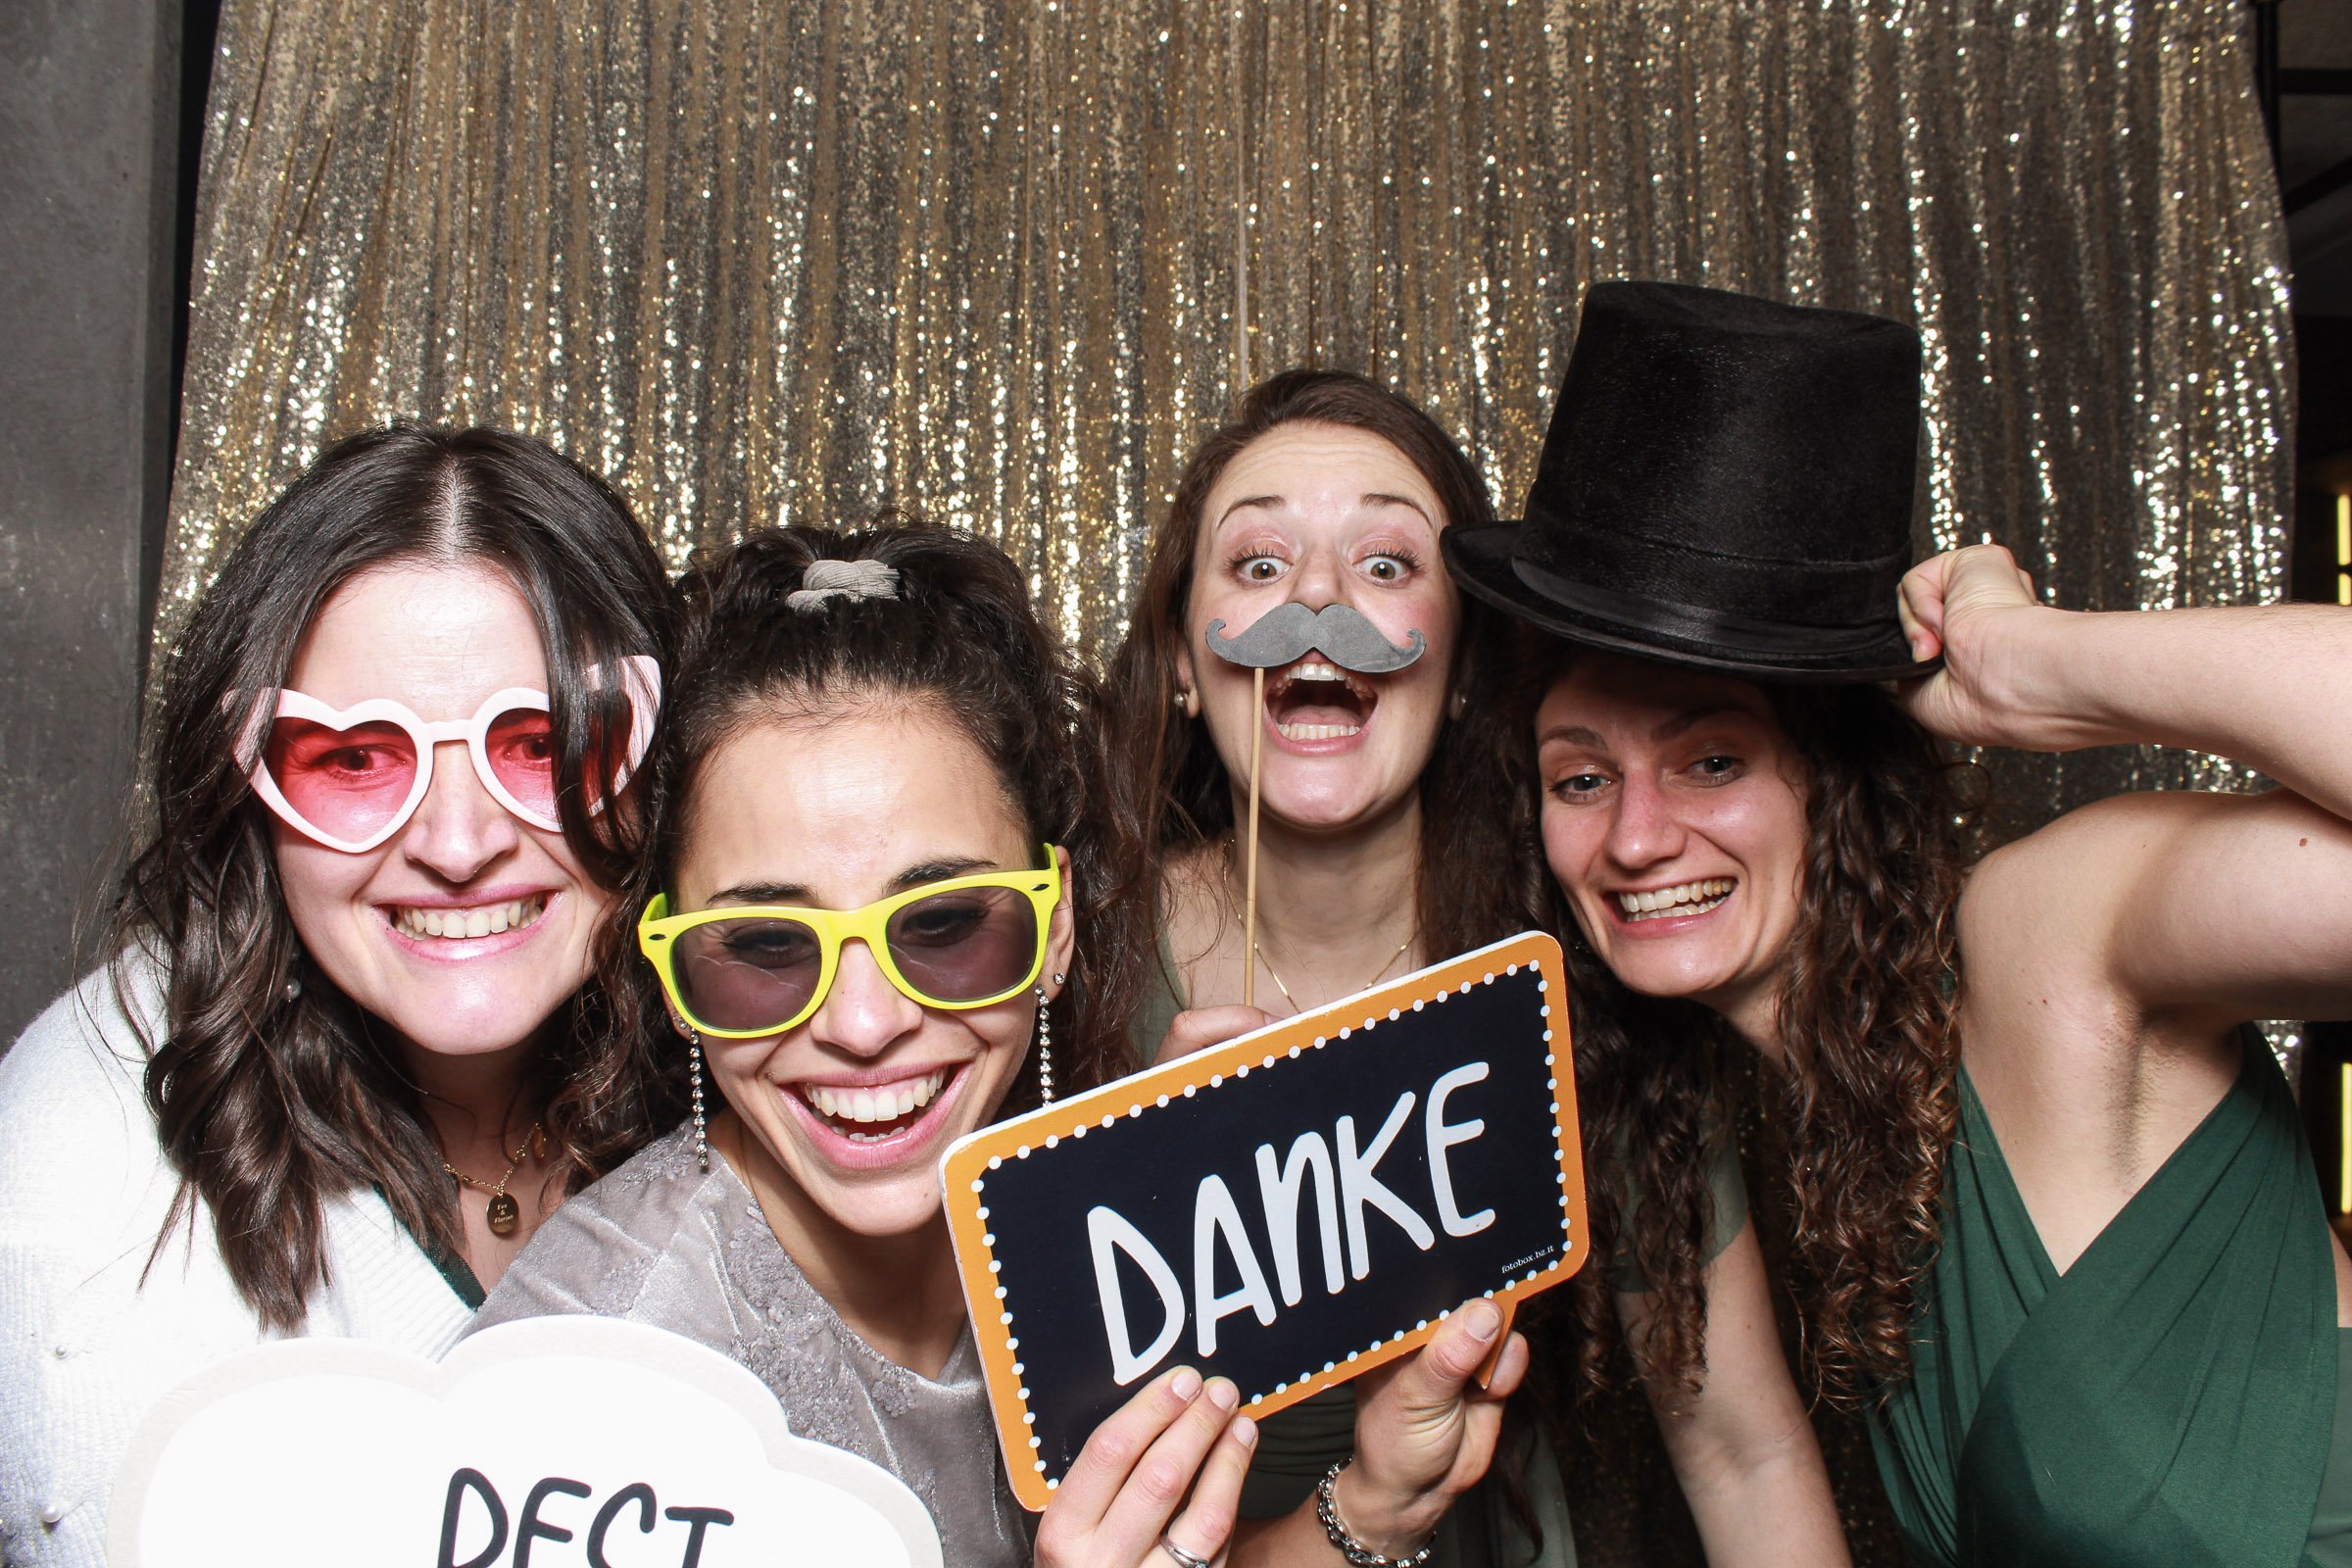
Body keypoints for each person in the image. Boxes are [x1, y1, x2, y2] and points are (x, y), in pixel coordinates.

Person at [1450, 278, 2352, 1565]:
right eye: (1582, 778)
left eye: (1712, 761)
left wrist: (2043, 663)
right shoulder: (1740, 1116)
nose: (1636, 838)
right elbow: (1744, 1460)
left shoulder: (2044, 934)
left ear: (1834, 779)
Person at [473, 523, 1532, 1568]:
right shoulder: (595, 1378)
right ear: (673, 978)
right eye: (763, 946)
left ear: (1054, 926)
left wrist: (1378, 1505)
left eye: (944, 926)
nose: (862, 1024)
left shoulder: (1066, 1208)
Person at [1105, 369, 1844, 1564]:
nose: (1316, 600)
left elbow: (1742, 1454)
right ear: (1184, 664)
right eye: (1259, 563)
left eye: (1385, 563)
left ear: (1460, 675)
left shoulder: (1577, 984)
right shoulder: (1065, 968)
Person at [0, 424, 681, 1565]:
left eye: (542, 743)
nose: (458, 845)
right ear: (246, 788)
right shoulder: (89, 1189)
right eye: (355, 759)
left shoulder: (737, 1048)